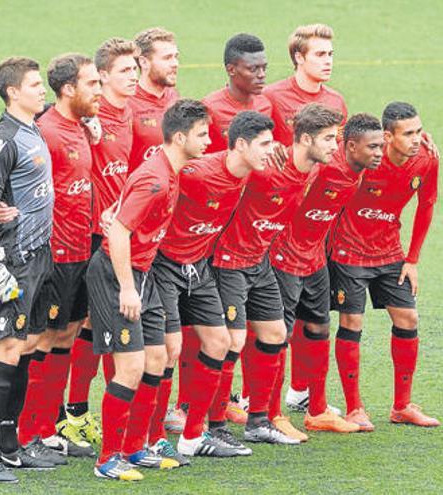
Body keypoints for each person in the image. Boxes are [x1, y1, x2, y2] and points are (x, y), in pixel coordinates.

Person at [88, 99, 210, 481]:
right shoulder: (156, 178)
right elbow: (120, 232)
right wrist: (126, 288)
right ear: (179, 137)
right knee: (131, 366)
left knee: (159, 358)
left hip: (142, 274)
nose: (208, 141)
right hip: (116, 274)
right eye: (202, 134)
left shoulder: (170, 168)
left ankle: (138, 447)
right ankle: (108, 458)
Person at [210, 103, 342, 444]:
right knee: (231, 341)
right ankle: (214, 426)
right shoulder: (264, 168)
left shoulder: (310, 168)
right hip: (230, 260)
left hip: (261, 261)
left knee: (274, 333)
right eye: (328, 139)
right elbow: (220, 172)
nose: (334, 146)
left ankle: (259, 422)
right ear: (306, 139)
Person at [150, 111, 275, 460]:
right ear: (240, 145)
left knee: (220, 342)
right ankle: (153, 437)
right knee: (169, 350)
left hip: (199, 266)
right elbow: (153, 182)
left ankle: (193, 437)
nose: (271, 150)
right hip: (165, 264)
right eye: (264, 144)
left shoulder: (250, 175)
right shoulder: (197, 173)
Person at [172, 32, 274, 430]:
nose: (262, 75)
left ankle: (224, 401)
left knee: (231, 329)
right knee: (195, 329)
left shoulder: (265, 104)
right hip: (207, 236)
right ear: (232, 69)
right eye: (254, 68)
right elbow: (198, 167)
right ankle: (188, 406)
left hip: (241, 228)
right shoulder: (212, 110)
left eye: (265, 67)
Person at [0, 57, 61, 483]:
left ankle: (11, 445)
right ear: (12, 93)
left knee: (25, 346)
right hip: (15, 259)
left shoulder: (33, 124)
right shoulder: (3, 141)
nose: (41, 89)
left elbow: (68, 110)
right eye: (33, 84)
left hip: (39, 254)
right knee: (7, 350)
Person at [328, 101, 441, 430]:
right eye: (408, 134)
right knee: (352, 322)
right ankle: (354, 409)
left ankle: (402, 406)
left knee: (408, 317)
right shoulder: (366, 159)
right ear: (388, 137)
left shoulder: (426, 159)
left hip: (390, 251)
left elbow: (427, 204)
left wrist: (413, 258)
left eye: (419, 131)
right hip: (348, 250)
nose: (417, 139)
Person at [269, 113, 384, 434]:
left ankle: (317, 410)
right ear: (352, 147)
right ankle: (272, 413)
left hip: (316, 259)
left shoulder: (357, 170)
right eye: (373, 147)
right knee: (278, 337)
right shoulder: (322, 168)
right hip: (285, 258)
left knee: (319, 329)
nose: (379, 153)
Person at [11, 53, 100, 460]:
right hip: (55, 253)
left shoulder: (78, 126)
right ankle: (25, 433)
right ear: (68, 89)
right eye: (92, 84)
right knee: (39, 340)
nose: (98, 91)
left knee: (65, 334)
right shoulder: (45, 132)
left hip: (81, 248)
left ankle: (47, 428)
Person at [57, 37, 140, 449]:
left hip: (116, 234)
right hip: (87, 235)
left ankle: (78, 412)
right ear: (102, 76)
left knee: (97, 326)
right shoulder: (91, 113)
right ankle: (67, 414)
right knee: (78, 326)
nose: (134, 76)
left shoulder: (131, 113)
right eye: (125, 70)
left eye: (135, 69)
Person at [127, 27, 180, 173]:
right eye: (167, 58)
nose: (175, 63)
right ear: (144, 62)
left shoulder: (173, 96)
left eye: (176, 56)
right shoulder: (127, 104)